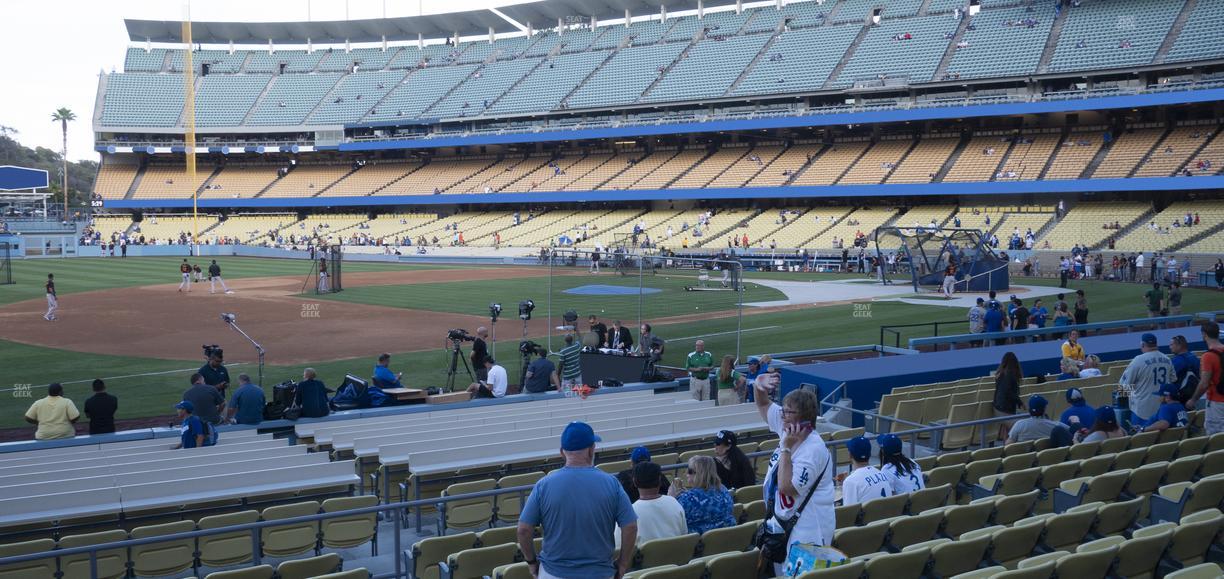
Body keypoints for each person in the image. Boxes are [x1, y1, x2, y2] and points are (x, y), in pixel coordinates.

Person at [517, 421, 637, 579]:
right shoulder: (611, 483)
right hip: (600, 573)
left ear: (562, 452)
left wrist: (532, 563)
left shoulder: (543, 485)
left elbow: (523, 530)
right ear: (592, 449)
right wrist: (622, 564)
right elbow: (630, 527)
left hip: (553, 573)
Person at [752, 373, 835, 575]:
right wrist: (758, 385)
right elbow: (763, 405)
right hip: (787, 526)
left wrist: (786, 449)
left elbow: (786, 488)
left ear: (804, 418)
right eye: (784, 409)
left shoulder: (813, 449)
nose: (782, 414)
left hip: (809, 531)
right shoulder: (789, 427)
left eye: (788, 412)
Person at [616, 462, 686, 548]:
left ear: (634, 482)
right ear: (660, 480)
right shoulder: (674, 502)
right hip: (677, 559)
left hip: (645, 561)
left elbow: (618, 546)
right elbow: (684, 534)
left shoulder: (628, 514)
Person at [1119, 333, 1177, 427]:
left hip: (1141, 411)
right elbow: (1173, 380)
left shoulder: (1138, 360)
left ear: (1142, 345)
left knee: (1141, 439)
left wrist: (1127, 404)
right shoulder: (1167, 359)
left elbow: (1123, 386)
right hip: (1162, 409)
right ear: (1156, 344)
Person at [670, 455, 736, 534]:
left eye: (690, 471)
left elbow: (671, 520)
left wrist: (671, 499)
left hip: (699, 543)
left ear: (699, 474)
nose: (686, 473)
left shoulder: (687, 499)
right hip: (729, 539)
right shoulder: (723, 489)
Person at [1186, 322, 1224, 434]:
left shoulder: (1208, 356)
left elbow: (1204, 383)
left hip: (1217, 403)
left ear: (1204, 334)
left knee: (1216, 438)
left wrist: (1193, 400)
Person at [841, 436, 893, 505]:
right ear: (870, 454)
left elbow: (849, 513)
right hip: (888, 514)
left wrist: (847, 484)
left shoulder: (851, 481)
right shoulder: (881, 473)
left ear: (850, 455)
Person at [182, 372, 224, 440]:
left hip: (196, 422)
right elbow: (223, 404)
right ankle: (226, 422)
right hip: (213, 420)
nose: (204, 382)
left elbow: (185, 411)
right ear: (199, 380)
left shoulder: (186, 394)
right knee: (223, 404)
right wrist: (218, 413)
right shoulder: (211, 388)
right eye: (203, 380)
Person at [993, 352, 1024, 440]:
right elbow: (1008, 392)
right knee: (1019, 426)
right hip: (1003, 410)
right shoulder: (1009, 375)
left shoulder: (1002, 374)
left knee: (1008, 428)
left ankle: (1007, 447)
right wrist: (1019, 402)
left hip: (1000, 408)